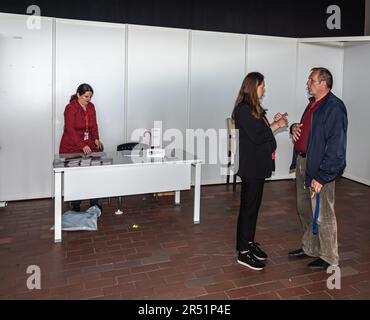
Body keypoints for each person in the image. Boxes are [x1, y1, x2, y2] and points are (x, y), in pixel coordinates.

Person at [288, 67, 348, 270]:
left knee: (323, 214)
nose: (308, 83)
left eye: (311, 80)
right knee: (304, 209)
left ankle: (330, 257)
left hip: (320, 169)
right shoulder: (314, 104)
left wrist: (322, 176)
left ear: (323, 83)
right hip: (303, 163)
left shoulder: (334, 107)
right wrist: (293, 127)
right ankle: (310, 248)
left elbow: (336, 146)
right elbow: (310, 132)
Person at [232, 72, 288, 270]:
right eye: (262, 86)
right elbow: (257, 135)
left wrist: (274, 121)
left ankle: (249, 243)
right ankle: (243, 252)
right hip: (251, 167)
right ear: (253, 87)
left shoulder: (253, 108)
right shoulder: (243, 110)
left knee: (253, 208)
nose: (264, 89)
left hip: (257, 165)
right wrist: (276, 125)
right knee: (248, 209)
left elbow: (260, 129)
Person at [59, 83, 103, 212]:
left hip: (88, 145)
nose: (88, 99)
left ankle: (94, 203)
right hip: (71, 146)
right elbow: (70, 130)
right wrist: (82, 145)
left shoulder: (91, 107)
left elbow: (94, 125)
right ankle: (76, 204)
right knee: (75, 176)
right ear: (78, 94)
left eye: (90, 97)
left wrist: (96, 138)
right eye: (86, 97)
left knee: (93, 174)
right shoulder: (70, 108)